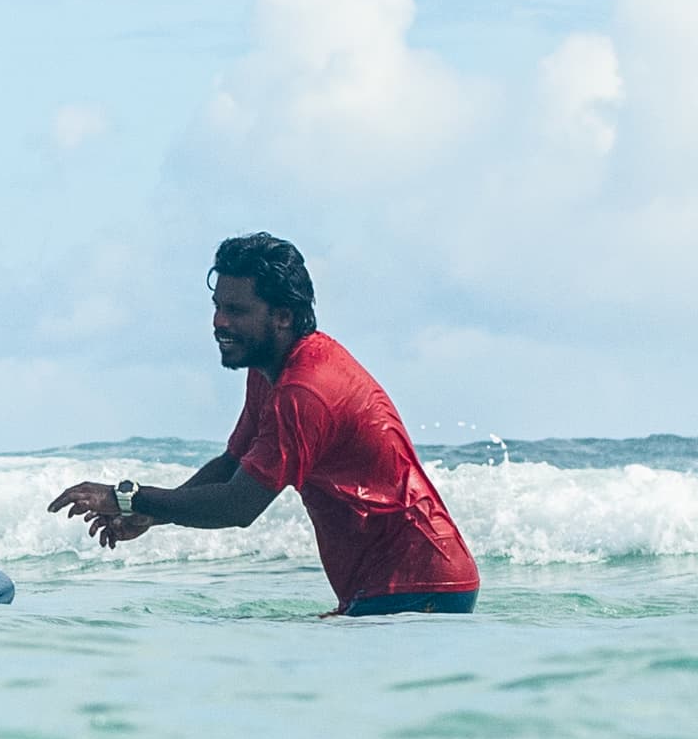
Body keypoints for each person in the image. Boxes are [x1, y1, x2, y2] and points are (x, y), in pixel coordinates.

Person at [50, 232, 480, 616]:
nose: (219, 322)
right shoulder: (268, 370)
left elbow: (239, 507)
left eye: (236, 310)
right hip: (392, 589)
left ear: (283, 316)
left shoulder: (304, 390)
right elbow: (230, 466)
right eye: (218, 307)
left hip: (420, 588)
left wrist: (127, 498)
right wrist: (151, 515)